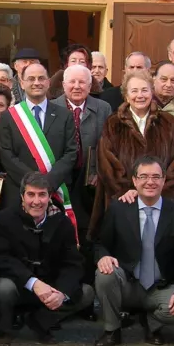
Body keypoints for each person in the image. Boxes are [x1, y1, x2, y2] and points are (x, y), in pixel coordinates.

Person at [93, 156, 174, 346]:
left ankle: (151, 324)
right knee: (105, 275)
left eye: (156, 177)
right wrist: (103, 256)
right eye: (143, 176)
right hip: (128, 284)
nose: (150, 182)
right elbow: (98, 243)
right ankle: (112, 330)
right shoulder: (119, 209)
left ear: (164, 180)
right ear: (135, 181)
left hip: (160, 287)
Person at [0, 172, 95, 346]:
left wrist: (61, 293)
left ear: (49, 197)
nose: (36, 201)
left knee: (86, 293)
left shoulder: (62, 222)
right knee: (3, 288)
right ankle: (4, 328)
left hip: (51, 286)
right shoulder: (5, 219)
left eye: (42, 195)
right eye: (31, 194)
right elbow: (0, 259)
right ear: (22, 196)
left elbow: (73, 264)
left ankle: (40, 322)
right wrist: (33, 282)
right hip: (19, 283)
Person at [92, 71, 174, 238]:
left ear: (152, 92)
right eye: (134, 91)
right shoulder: (113, 124)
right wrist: (127, 190)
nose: (139, 95)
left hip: (162, 202)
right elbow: (107, 164)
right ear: (126, 95)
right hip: (124, 202)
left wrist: (156, 191)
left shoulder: (169, 122)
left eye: (144, 90)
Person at [0, 63, 79, 230]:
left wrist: (48, 182)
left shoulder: (64, 115)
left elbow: (71, 152)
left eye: (41, 78)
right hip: (20, 192)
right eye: (31, 79)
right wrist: (33, 184)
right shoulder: (9, 116)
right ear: (21, 83)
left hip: (55, 191)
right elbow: (6, 154)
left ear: (48, 82)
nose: (36, 82)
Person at [52, 64, 112, 246]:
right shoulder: (52, 107)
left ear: (90, 85)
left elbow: (109, 145)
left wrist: (99, 172)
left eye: (82, 82)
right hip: (60, 179)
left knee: (88, 230)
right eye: (72, 82)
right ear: (63, 85)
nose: (77, 86)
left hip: (91, 180)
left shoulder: (103, 108)